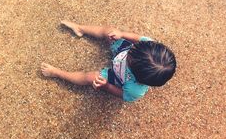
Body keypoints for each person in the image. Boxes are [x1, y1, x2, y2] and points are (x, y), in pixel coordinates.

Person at [41, 21, 177, 102]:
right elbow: (137, 38)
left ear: (137, 76)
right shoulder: (149, 46)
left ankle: (57, 73)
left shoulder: (135, 89)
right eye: (134, 48)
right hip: (122, 53)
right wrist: (122, 35)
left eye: (130, 55)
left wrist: (106, 86)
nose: (132, 48)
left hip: (117, 76)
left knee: (90, 77)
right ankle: (80, 28)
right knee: (110, 32)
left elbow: (122, 93)